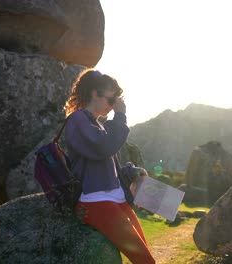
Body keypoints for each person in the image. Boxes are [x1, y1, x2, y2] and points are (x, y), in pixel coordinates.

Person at [63, 69, 155, 264]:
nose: (112, 107)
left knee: (146, 257)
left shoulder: (98, 124)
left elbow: (106, 167)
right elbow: (103, 147)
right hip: (95, 201)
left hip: (115, 198)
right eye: (111, 101)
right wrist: (120, 116)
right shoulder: (77, 120)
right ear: (94, 93)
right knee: (145, 261)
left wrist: (132, 172)